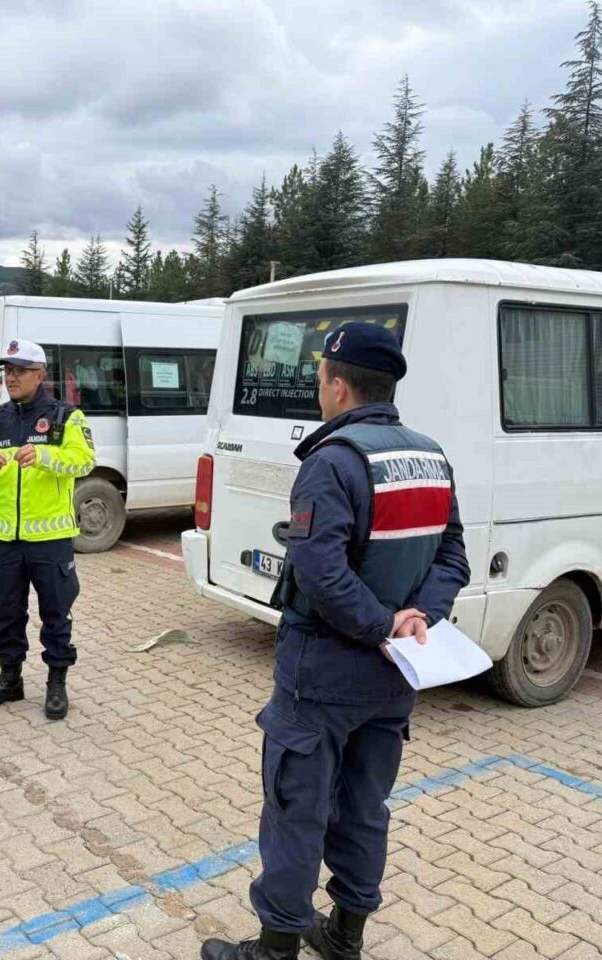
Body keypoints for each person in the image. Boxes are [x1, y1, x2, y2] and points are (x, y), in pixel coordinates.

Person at [202, 323, 470, 960]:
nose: (318, 388)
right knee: (365, 804)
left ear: (340, 386)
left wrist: (383, 626)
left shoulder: (334, 460)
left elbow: (320, 574)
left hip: (324, 668)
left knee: (297, 806)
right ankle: (344, 936)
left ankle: (275, 949)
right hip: (395, 673)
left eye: (321, 377)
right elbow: (454, 555)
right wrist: (414, 621)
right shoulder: (429, 455)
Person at [0, 339, 96, 720]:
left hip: (50, 540)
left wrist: (45, 456)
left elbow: (84, 462)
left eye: (20, 371)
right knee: (6, 612)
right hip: (5, 540)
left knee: (56, 613)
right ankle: (10, 679)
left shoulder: (65, 418)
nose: (11, 378)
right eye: (7, 371)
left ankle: (57, 683)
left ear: (40, 375)